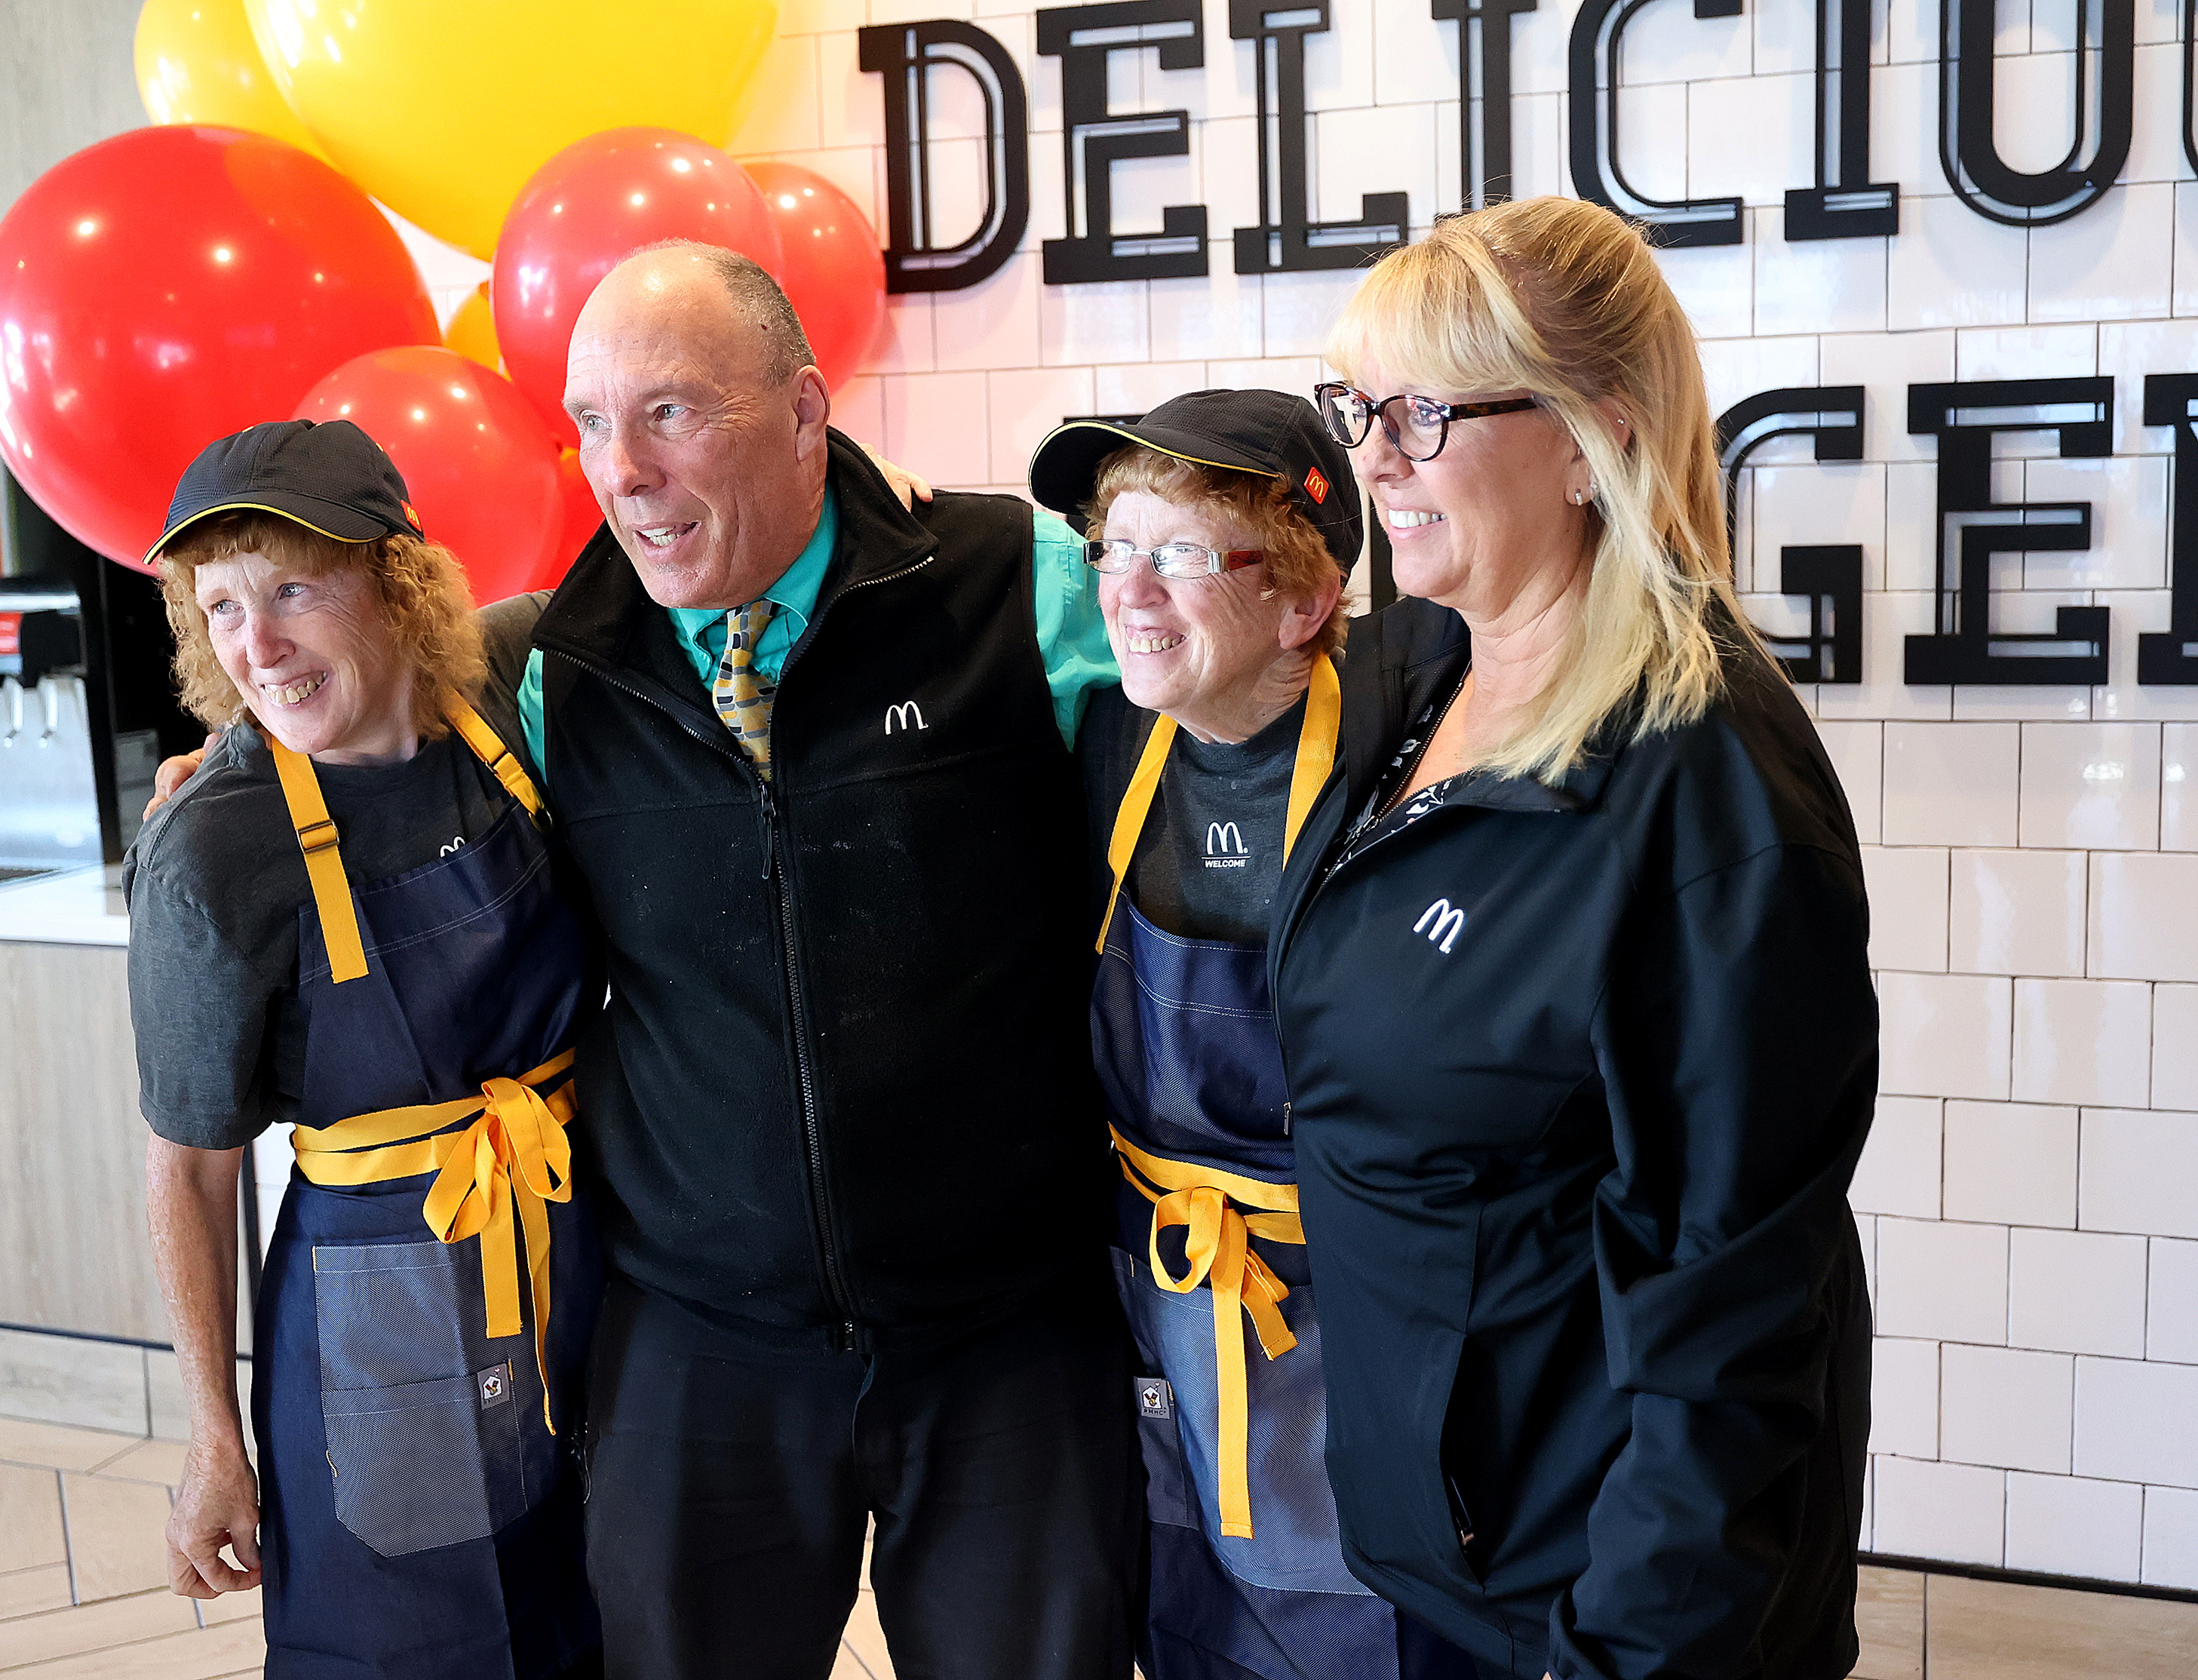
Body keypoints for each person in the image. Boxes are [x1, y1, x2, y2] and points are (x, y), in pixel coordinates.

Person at [1268, 197, 1877, 1680]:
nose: (1373, 461)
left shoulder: (1706, 790)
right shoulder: (1429, 670)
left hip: (1596, 1608)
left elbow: (1734, 1314)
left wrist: (1623, 1652)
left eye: (1423, 414)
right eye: (1358, 410)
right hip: (1454, 1556)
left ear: (1592, 436)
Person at [518, 241, 1138, 1678]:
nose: (623, 471)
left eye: (670, 413)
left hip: (1007, 1326)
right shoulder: (564, 668)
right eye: (592, 423)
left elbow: (1245, 669)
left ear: (806, 410)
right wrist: (238, 767)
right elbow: (361, 694)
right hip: (700, 1335)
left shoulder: (1016, 583)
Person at [128, 419, 603, 1678]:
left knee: (597, 1605)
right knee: (413, 1642)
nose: (258, 646)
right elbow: (190, 1169)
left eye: (294, 590)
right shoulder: (212, 847)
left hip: (582, 1241)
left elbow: (673, 556)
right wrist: (213, 1441)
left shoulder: (508, 678)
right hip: (379, 1306)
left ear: (399, 581)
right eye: (223, 607)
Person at [1029, 391, 1474, 1680]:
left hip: (1353, 1314)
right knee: (1192, 1612)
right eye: (1116, 547)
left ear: (1305, 601)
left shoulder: (1422, 731)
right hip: (1164, 1296)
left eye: (1180, 554)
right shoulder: (1107, 741)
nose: (1128, 593)